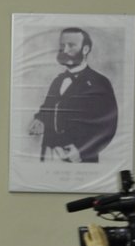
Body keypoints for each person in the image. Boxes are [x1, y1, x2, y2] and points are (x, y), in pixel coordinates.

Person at [28, 26, 118, 164]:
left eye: (71, 45)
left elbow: (108, 125)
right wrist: (40, 119)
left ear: (86, 49)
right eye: (62, 45)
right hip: (48, 155)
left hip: (79, 159)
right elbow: (48, 107)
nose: (64, 50)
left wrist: (82, 151)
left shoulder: (99, 82)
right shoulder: (58, 81)